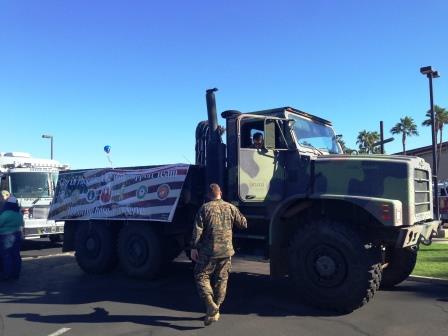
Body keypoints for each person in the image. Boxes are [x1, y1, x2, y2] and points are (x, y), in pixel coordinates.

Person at [191, 183, 247, 326]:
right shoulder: (230, 207)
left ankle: (210, 305)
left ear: (208, 195)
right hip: (226, 251)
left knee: (201, 275)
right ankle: (216, 310)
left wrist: (194, 247)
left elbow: (198, 231)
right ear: (220, 192)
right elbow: (244, 223)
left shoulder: (204, 208)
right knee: (222, 280)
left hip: (209, 251)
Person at [0, 192, 24, 280]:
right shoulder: (19, 214)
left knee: (7, 255)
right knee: (16, 255)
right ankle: (16, 273)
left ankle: (7, 274)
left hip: (6, 236)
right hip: (17, 235)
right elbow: (22, 224)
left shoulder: (6, 214)